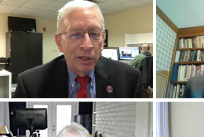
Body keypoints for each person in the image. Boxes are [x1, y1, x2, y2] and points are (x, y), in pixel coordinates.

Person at [15, 0, 145, 98]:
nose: (87, 45)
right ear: (59, 42)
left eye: (94, 34)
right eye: (75, 34)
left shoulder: (130, 79)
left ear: (102, 40)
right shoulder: (30, 84)